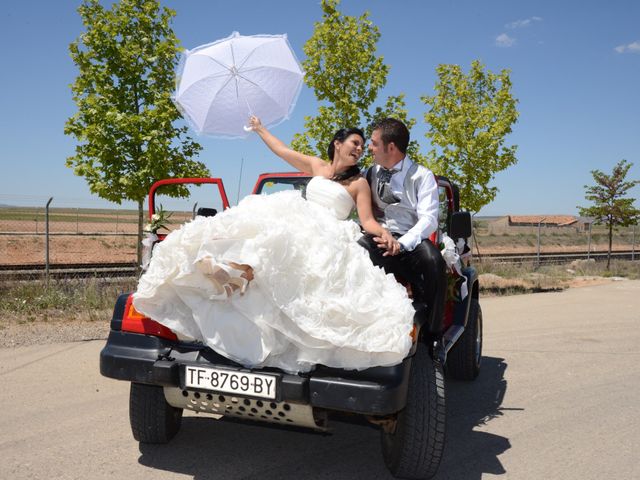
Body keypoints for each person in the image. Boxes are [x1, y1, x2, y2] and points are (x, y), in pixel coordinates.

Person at [133, 116, 415, 374]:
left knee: (293, 254)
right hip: (299, 217)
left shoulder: (359, 183)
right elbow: (282, 150)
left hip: (327, 230)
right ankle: (232, 272)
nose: (360, 149)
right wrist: (260, 129)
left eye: (364, 147)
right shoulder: (318, 166)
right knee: (266, 233)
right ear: (338, 144)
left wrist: (387, 235)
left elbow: (367, 220)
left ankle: (242, 279)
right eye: (355, 143)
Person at [358, 118, 447, 330]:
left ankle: (433, 335)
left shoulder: (422, 176)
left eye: (374, 143)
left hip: (410, 239)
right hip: (378, 235)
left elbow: (428, 219)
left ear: (391, 147)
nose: (369, 147)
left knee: (434, 262)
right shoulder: (369, 173)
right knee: (356, 251)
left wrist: (402, 244)